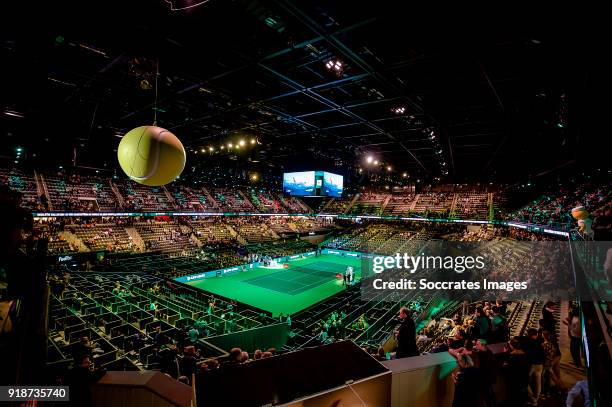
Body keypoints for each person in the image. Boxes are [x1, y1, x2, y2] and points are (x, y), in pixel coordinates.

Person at [524, 328, 545, 406]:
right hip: (540, 364)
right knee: (538, 383)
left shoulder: (530, 342)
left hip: (533, 364)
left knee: (524, 381)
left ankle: (533, 399)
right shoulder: (540, 341)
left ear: (530, 334)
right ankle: (536, 399)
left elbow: (528, 353)